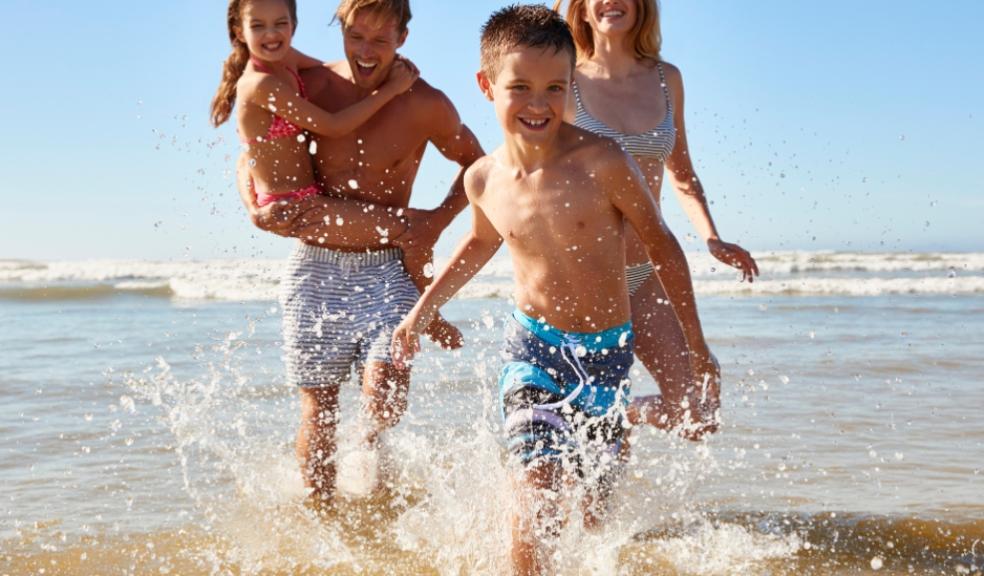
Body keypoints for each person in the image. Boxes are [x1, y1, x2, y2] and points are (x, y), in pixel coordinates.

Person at [390, 6, 714, 573]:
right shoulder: (482, 178)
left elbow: (663, 247)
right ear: (486, 85)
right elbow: (478, 244)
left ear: (571, 85)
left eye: (555, 88)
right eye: (520, 87)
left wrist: (697, 345)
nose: (538, 104)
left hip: (608, 357)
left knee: (592, 522)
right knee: (536, 496)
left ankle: (619, 431)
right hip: (533, 354)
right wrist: (419, 313)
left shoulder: (603, 160)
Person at [233, 0, 484, 504]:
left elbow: (479, 167)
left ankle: (371, 469)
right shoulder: (313, 85)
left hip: (386, 268)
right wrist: (252, 203)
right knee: (318, 409)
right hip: (315, 269)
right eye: (355, 37)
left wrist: (435, 221)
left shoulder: (426, 103)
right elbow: (252, 146)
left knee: (383, 396)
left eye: (381, 40)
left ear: (403, 39)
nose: (366, 52)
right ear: (340, 30)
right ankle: (323, 517)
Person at [554, 0, 759, 432]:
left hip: (645, 274)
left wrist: (712, 238)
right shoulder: (563, 80)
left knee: (698, 411)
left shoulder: (667, 79)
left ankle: (614, 419)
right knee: (595, 454)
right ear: (583, 9)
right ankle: (596, 423)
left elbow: (682, 173)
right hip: (584, 277)